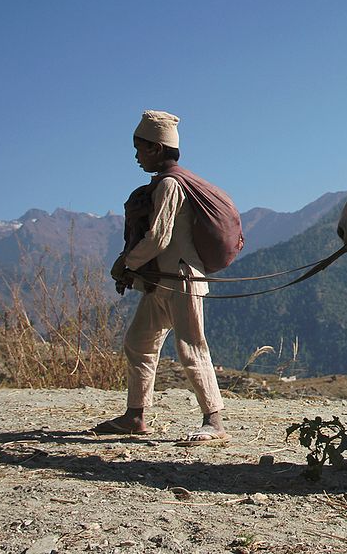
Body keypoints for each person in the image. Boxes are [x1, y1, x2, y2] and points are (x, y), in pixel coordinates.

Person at [93, 110, 229, 445]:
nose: (137, 156)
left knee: (191, 348)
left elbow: (158, 238)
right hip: (160, 281)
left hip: (181, 279)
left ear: (156, 148)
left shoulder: (169, 185)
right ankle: (135, 416)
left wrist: (126, 262)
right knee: (139, 342)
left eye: (140, 149)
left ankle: (214, 421)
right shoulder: (164, 183)